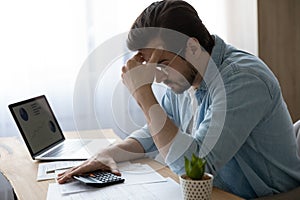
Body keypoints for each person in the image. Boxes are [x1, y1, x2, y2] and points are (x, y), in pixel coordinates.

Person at [57, 0, 300, 198]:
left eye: (162, 63)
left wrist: (143, 94)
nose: (159, 78)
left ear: (193, 48)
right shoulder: (185, 75)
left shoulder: (243, 80)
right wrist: (109, 153)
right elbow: (155, 131)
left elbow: (195, 169)